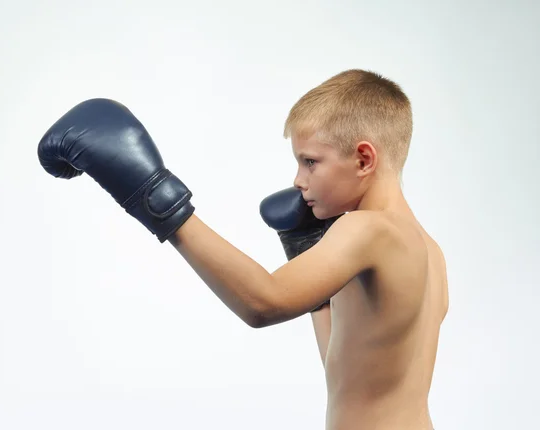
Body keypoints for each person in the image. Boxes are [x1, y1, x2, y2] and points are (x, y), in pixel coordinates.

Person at [37, 69, 449, 430]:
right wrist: (306, 256)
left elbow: (262, 303)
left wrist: (156, 197)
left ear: (363, 159)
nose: (298, 179)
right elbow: (348, 375)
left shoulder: (368, 230)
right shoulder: (429, 251)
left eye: (310, 162)